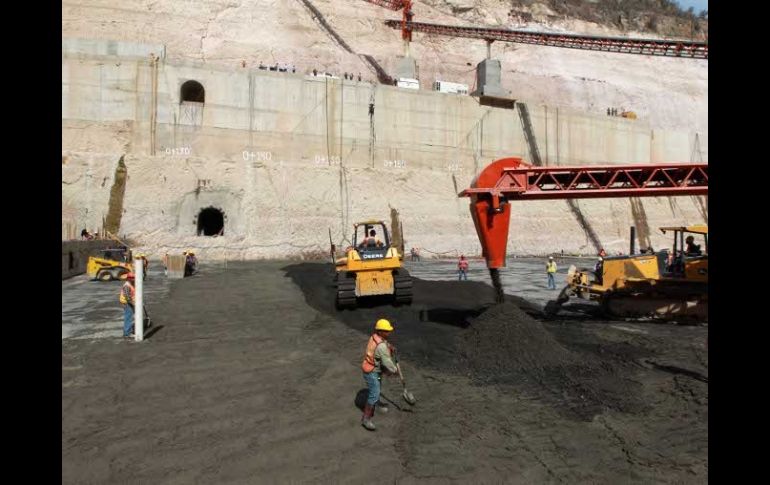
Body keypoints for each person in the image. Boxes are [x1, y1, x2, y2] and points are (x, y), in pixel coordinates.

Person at [361, 318, 399, 431]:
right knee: (374, 393)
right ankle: (366, 419)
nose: (389, 332)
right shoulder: (381, 346)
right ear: (380, 331)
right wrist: (395, 370)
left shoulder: (374, 337)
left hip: (375, 371)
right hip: (372, 372)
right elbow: (387, 362)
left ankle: (376, 404)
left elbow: (384, 343)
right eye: (386, 331)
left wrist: (390, 347)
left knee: (378, 385)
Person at [120, 273, 136, 338]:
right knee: (128, 318)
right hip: (127, 303)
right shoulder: (127, 286)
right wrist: (133, 304)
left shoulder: (131, 284)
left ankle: (128, 331)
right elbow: (127, 297)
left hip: (130, 302)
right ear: (129, 279)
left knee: (129, 317)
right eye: (133, 278)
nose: (134, 279)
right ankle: (127, 333)